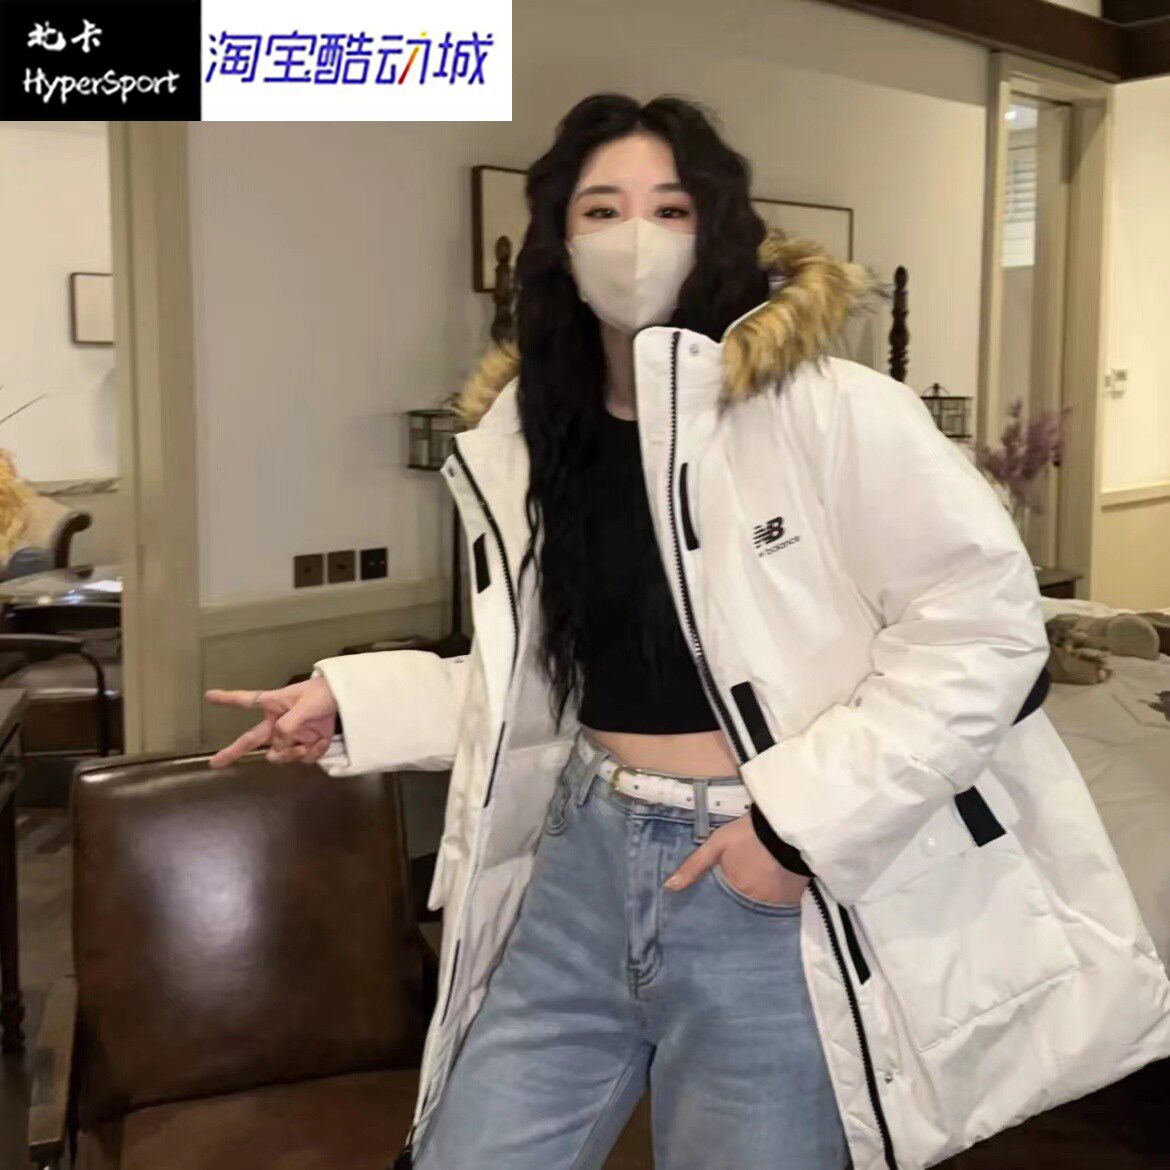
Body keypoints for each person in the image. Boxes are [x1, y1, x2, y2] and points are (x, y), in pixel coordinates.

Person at [206, 93, 1170, 1170]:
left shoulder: (833, 409)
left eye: (670, 209)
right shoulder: (532, 441)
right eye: (602, 209)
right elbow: (547, 679)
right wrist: (355, 700)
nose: (635, 238)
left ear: (717, 231)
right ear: (560, 242)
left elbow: (987, 635)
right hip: (581, 854)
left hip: (754, 874)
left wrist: (791, 837)